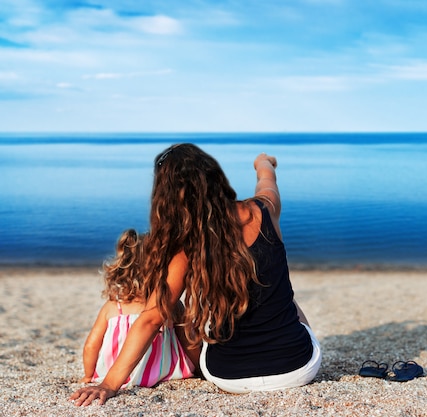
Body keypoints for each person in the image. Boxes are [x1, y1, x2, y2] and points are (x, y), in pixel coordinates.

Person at [71, 144, 321, 406]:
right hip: (297, 370)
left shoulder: (185, 247)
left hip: (228, 376)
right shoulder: (264, 210)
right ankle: (292, 343)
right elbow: (266, 181)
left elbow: (151, 318)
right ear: (214, 177)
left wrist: (109, 384)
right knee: (285, 297)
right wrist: (264, 162)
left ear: (168, 197)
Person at [79, 228, 195, 389]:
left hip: (114, 374)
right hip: (163, 373)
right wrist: (199, 369)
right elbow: (189, 341)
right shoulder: (170, 305)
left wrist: (88, 375)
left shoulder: (113, 307)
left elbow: (91, 345)